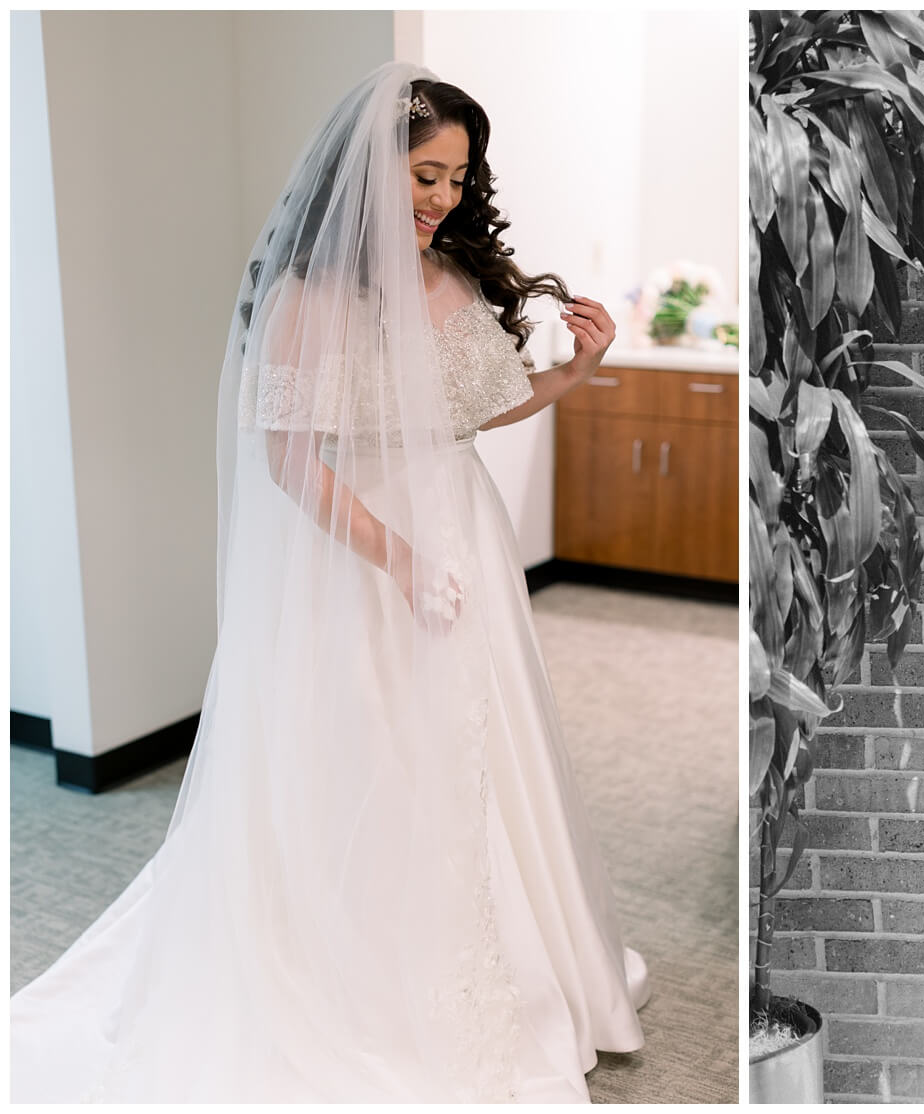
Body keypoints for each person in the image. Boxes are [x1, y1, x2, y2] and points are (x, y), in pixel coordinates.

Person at [9, 63, 647, 1102]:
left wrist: (572, 373)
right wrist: (400, 559)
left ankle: (513, 962)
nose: (441, 199)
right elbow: (292, 459)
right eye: (423, 174)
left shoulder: (453, 276)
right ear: (368, 171)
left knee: (486, 749)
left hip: (465, 539)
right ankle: (371, 987)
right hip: (369, 559)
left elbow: (470, 411)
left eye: (456, 178)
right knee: (380, 755)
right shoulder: (310, 298)